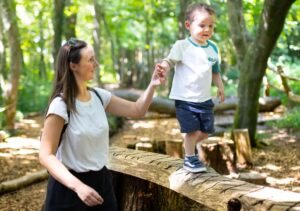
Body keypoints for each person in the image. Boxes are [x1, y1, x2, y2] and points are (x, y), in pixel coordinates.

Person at [39, 38, 164, 211]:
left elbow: (137, 110)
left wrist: (153, 84)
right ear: (73, 65)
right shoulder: (60, 105)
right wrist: (78, 187)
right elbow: (46, 155)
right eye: (90, 60)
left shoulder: (99, 96)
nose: (96, 64)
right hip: (68, 191)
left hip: (102, 183)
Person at [156, 3, 225, 173]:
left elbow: (215, 71)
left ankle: (189, 143)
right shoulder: (182, 46)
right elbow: (169, 61)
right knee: (192, 131)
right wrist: (163, 67)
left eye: (211, 26)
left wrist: (220, 87)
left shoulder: (213, 48)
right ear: (188, 25)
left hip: (204, 99)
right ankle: (190, 158)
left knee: (206, 132)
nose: (207, 29)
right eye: (202, 25)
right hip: (185, 99)